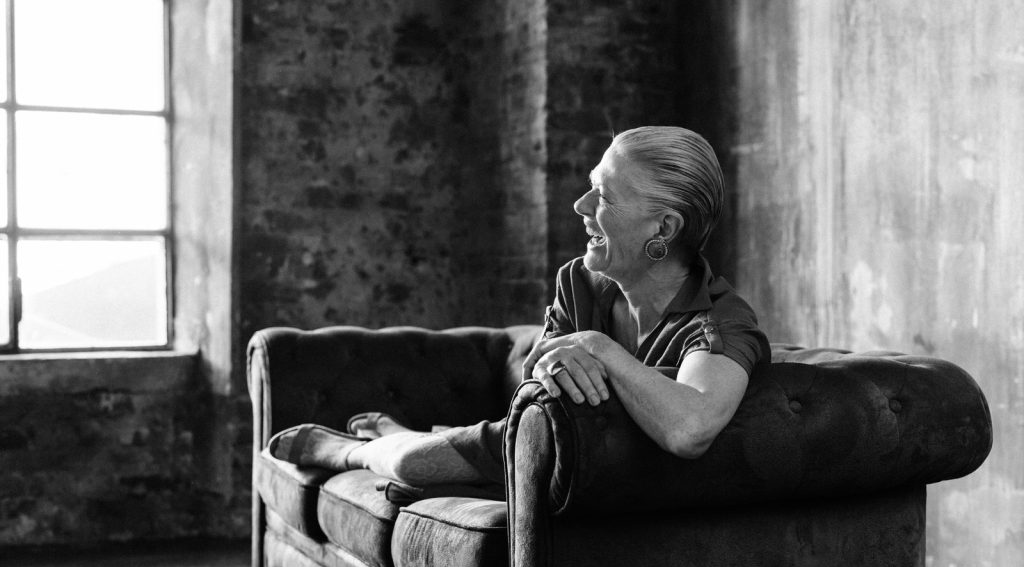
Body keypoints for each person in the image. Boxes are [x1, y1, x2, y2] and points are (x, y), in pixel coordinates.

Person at [269, 126, 770, 487]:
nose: (580, 206)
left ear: (663, 228)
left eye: (604, 196)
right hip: (535, 440)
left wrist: (596, 347)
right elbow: (536, 365)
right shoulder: (580, 280)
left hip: (568, 461)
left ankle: (347, 451)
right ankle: (400, 438)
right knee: (419, 459)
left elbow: (690, 428)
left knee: (410, 466)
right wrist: (557, 355)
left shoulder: (720, 324)